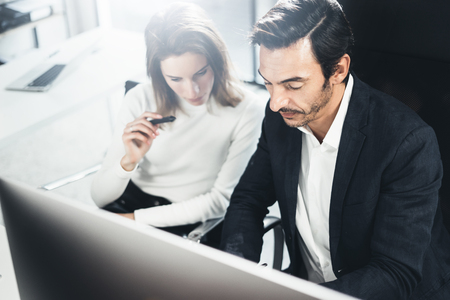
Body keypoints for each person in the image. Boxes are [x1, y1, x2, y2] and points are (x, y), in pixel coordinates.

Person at [220, 0, 450, 298]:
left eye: (293, 85)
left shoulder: (406, 142)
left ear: (338, 69)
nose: (276, 102)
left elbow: (396, 271)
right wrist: (235, 276)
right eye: (268, 84)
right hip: (305, 286)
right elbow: (248, 200)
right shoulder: (281, 116)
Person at [90, 2, 264, 244]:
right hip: (130, 202)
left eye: (201, 73)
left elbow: (219, 201)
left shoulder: (247, 109)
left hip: (186, 219)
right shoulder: (140, 97)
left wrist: (133, 220)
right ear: (160, 73)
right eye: (175, 79)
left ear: (216, 60)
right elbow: (99, 199)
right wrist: (128, 162)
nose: (192, 90)